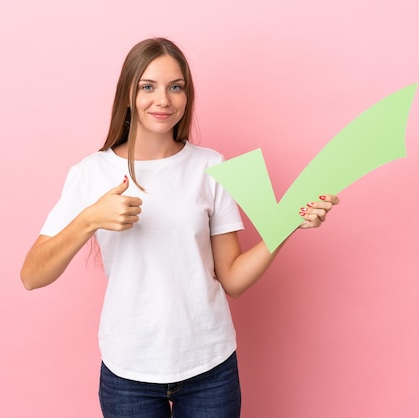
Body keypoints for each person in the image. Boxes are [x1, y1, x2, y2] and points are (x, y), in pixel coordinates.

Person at [20, 37, 339, 418]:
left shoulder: (210, 167)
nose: (164, 100)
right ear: (127, 94)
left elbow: (233, 280)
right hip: (128, 371)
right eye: (148, 86)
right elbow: (32, 275)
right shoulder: (91, 173)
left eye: (176, 87)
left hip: (210, 366)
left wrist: (287, 224)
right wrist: (90, 218)